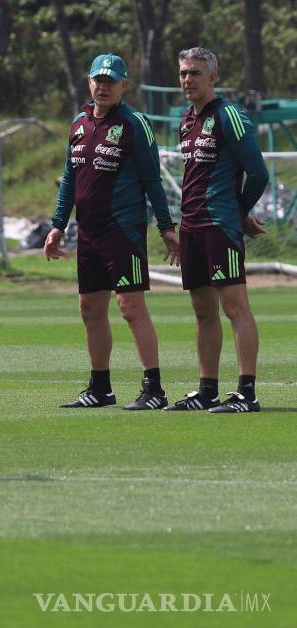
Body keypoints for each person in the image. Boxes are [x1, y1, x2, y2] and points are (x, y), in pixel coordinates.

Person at [44, 53, 179, 410]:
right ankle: (100, 388)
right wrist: (58, 224)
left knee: (130, 306)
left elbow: (153, 180)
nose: (103, 86)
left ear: (123, 85)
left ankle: (154, 390)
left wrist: (167, 228)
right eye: (97, 80)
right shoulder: (78, 124)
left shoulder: (135, 123)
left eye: (110, 81)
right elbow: (69, 179)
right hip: (88, 231)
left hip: (124, 230)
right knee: (90, 308)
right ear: (89, 83)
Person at [164, 47, 269, 413]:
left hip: (219, 226)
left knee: (234, 307)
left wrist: (239, 212)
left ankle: (247, 392)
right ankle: (207, 390)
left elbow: (258, 173)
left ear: (213, 78)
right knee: (202, 310)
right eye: (183, 74)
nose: (187, 80)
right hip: (191, 227)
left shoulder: (231, 116)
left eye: (194, 73)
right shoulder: (186, 120)